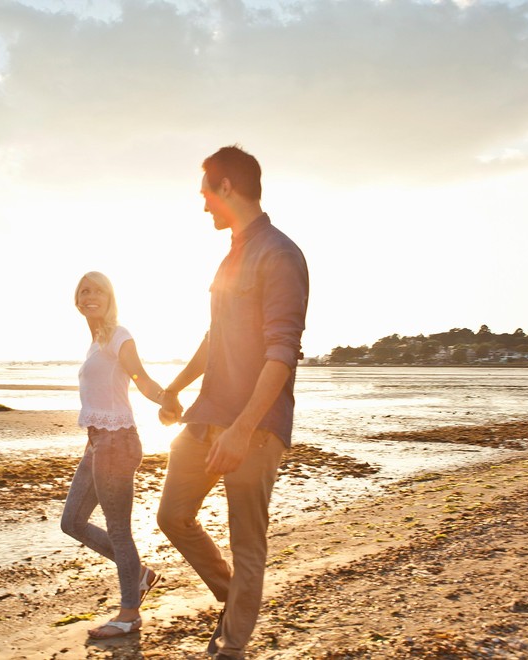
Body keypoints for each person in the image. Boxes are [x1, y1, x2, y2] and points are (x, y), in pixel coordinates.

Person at [156, 146, 309, 659]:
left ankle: (231, 649)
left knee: (248, 546)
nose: (202, 206)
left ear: (226, 188)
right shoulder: (232, 254)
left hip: (255, 428)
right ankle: (234, 599)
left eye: (205, 193)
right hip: (204, 417)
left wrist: (244, 428)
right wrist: (176, 387)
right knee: (172, 516)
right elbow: (214, 336)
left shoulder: (280, 254)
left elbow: (282, 351)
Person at [60, 271, 166, 639]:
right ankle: (138, 574)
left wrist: (168, 401)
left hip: (117, 442)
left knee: (119, 531)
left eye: (98, 290)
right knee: (72, 522)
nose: (91, 296)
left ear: (110, 297)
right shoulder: (95, 343)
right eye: (84, 291)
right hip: (96, 443)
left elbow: (141, 377)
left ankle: (129, 614)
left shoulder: (119, 335)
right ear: (77, 301)